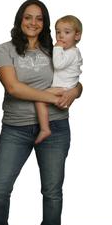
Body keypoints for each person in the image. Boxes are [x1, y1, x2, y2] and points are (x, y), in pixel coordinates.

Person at [0, 0, 82, 225]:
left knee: (51, 189)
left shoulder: (56, 49)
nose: (33, 23)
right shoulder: (5, 50)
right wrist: (50, 96)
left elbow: (75, 80)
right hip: (16, 128)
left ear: (45, 23)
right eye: (28, 17)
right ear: (20, 20)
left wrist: (75, 91)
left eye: (39, 18)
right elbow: (14, 88)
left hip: (56, 126)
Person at [34, 15, 83, 144]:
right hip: (65, 87)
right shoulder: (69, 52)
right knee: (43, 99)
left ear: (77, 36)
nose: (61, 36)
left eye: (67, 32)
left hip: (63, 88)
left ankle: (45, 129)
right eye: (58, 32)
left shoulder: (71, 52)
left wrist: (57, 47)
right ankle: (59, 104)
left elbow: (58, 64)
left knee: (39, 99)